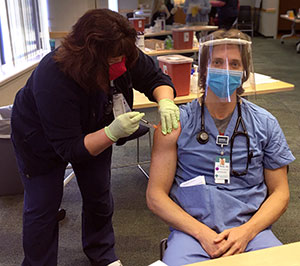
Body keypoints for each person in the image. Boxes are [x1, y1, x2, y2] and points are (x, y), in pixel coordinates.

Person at [11, 8, 179, 266]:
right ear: (89, 57)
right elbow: (70, 149)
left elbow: (156, 78)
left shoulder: (122, 53)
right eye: (114, 60)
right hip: (39, 140)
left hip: (94, 127)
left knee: (99, 194)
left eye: (124, 57)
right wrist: (112, 133)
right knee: (43, 207)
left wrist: (166, 102)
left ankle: (102, 253)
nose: (122, 65)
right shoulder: (53, 76)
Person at [146, 28, 295, 266]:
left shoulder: (265, 123)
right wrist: (201, 233)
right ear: (203, 68)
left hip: (252, 230)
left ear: (244, 73)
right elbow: (155, 196)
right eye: (217, 62)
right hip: (192, 232)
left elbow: (280, 193)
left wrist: (246, 231)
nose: (226, 70)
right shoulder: (177, 123)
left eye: (234, 64)